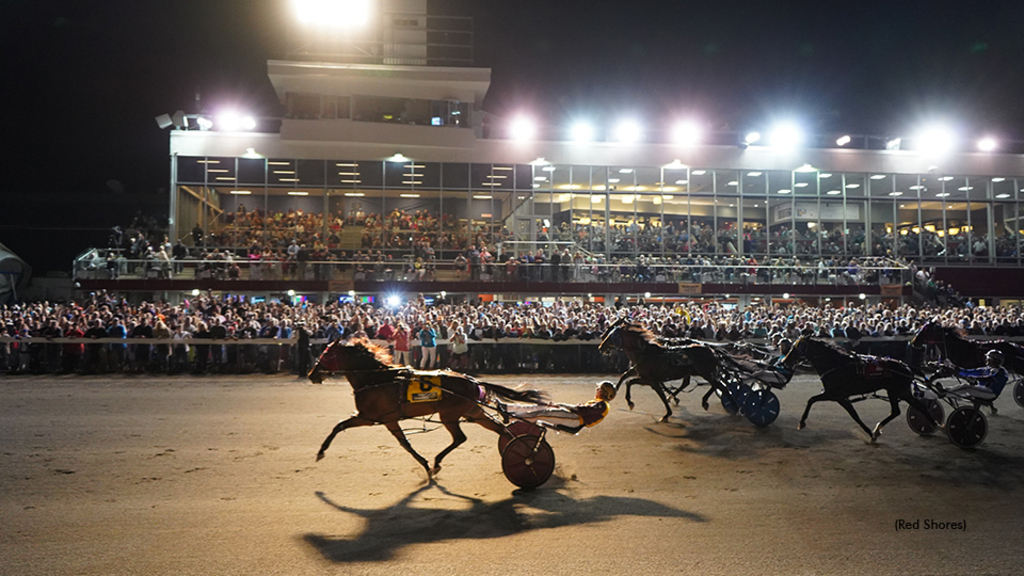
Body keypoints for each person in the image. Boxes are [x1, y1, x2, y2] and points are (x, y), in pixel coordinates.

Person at [497, 381, 616, 433]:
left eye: (599, 388)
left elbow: (582, 410)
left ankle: (511, 417)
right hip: (574, 417)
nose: (596, 390)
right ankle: (508, 408)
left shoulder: (602, 405)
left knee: (542, 413)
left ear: (605, 392)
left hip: (575, 421)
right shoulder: (599, 403)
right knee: (539, 409)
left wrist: (560, 405)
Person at [937, 349, 1009, 413]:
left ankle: (945, 393)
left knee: (968, 388)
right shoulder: (985, 369)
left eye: (989, 358)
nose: (987, 359)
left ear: (996, 360)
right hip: (983, 389)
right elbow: (967, 372)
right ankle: (945, 391)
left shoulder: (1002, 372)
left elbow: (991, 379)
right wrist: (952, 366)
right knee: (966, 386)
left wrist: (975, 378)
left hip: (991, 393)